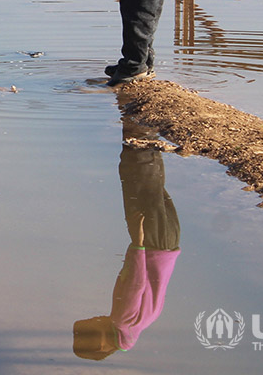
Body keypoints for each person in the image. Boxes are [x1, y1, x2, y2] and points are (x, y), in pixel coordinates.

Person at [73, 117, 182, 359]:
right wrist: (138, 241)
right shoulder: (123, 321)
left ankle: (145, 118)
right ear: (102, 344)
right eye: (90, 327)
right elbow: (136, 282)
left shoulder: (138, 327)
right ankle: (141, 117)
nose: (93, 318)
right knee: (137, 171)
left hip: (167, 242)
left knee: (150, 177)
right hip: (151, 241)